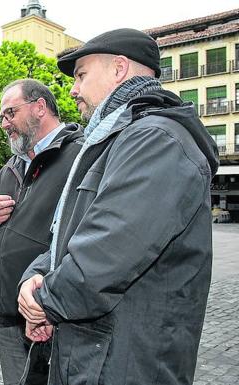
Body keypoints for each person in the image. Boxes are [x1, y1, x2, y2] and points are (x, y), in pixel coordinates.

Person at [18, 28, 219, 385]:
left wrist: (43, 302)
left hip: (126, 362)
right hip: (95, 355)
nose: (73, 89)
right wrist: (34, 277)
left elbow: (106, 254)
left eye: (81, 75)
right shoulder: (114, 138)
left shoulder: (156, 139)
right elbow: (68, 233)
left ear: (119, 68)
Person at [0, 79, 82, 385]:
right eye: (2, 118)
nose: (5, 124)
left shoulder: (78, 156)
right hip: (6, 313)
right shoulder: (10, 166)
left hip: (49, 315)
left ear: (39, 107)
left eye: (10, 113)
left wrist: (46, 301)